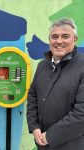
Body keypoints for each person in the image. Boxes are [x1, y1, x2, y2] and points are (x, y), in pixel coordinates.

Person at [27, 17, 84, 150]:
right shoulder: (42, 65)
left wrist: (50, 136)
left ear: (75, 39)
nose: (59, 41)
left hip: (72, 145)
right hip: (42, 143)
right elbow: (32, 96)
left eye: (65, 36)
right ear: (49, 40)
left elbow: (81, 113)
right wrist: (34, 127)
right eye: (54, 36)